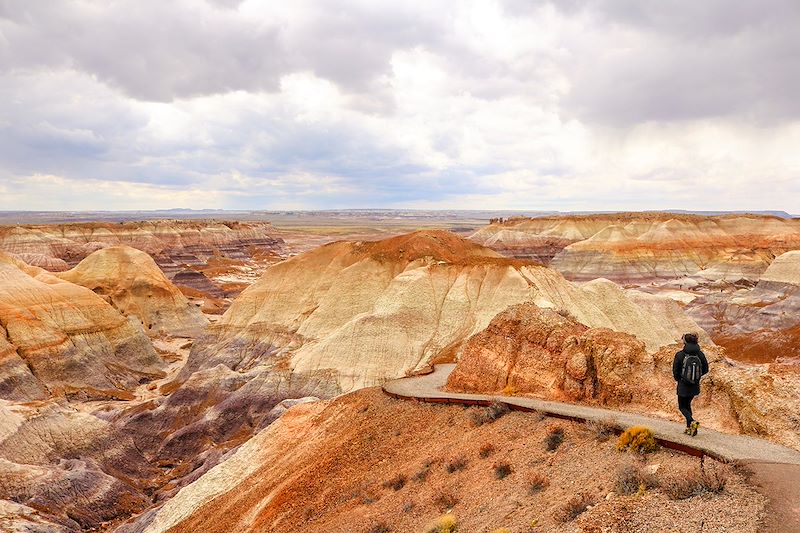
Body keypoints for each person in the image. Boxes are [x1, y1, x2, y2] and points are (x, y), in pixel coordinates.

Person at [672, 333, 709, 436]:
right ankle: (690, 429)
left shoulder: (680, 354)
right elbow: (706, 369)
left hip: (683, 385)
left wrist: (679, 379)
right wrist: (696, 378)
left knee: (682, 407)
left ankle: (692, 422)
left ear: (686, 342)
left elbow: (675, 370)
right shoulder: (700, 354)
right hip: (695, 386)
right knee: (687, 405)